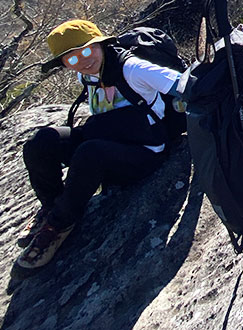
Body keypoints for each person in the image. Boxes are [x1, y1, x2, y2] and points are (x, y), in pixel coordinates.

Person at [16, 20, 181, 270]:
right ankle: (53, 206)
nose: (82, 61)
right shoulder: (89, 73)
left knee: (89, 153)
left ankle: (60, 223)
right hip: (108, 135)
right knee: (40, 143)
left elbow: (183, 84)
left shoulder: (132, 69)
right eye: (70, 60)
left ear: (101, 43)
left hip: (145, 150)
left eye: (85, 51)